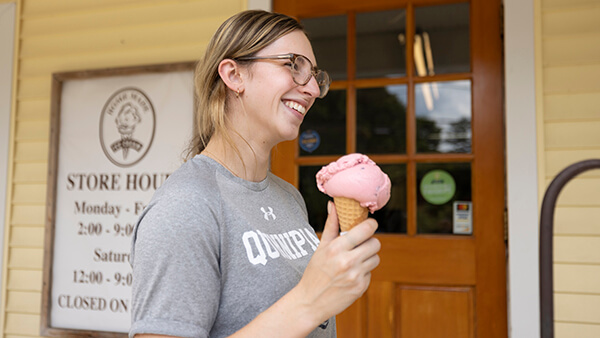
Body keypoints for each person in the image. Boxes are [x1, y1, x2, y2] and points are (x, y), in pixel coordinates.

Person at [129, 10, 381, 338]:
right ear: (234, 75)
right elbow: (305, 305)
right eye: (293, 65)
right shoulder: (184, 207)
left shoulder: (288, 197)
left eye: (315, 76)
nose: (313, 90)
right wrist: (308, 302)